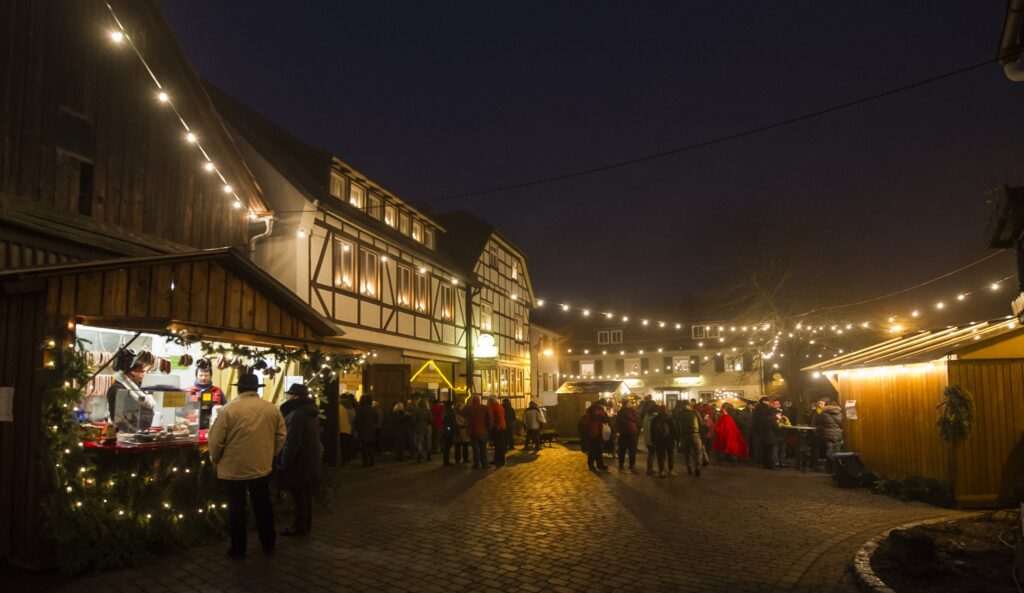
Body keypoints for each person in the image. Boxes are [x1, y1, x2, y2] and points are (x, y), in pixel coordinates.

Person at [207, 373, 286, 559]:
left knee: (237, 509)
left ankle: (238, 548)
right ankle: (268, 542)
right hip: (261, 466)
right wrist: (269, 453)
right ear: (256, 389)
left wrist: (215, 459)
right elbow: (281, 435)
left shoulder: (228, 410)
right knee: (263, 505)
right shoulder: (271, 409)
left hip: (234, 468)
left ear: (239, 388)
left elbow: (216, 440)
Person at [276, 383, 321, 536]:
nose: (286, 398)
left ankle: (299, 525)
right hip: (309, 458)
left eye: (288, 395)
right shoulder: (310, 412)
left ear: (294, 397)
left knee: (299, 494)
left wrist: (284, 461)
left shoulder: (297, 414)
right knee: (304, 493)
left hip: (299, 461)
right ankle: (304, 524)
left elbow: (292, 441)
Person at [107, 349, 156, 431]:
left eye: (143, 371)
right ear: (128, 372)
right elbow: (120, 420)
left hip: (143, 434)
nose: (141, 375)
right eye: (138, 371)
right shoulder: (117, 389)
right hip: (127, 437)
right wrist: (136, 433)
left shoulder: (138, 389)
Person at [185, 358, 224, 430]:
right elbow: (179, 411)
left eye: (206, 375)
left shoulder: (218, 391)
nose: (203, 378)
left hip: (214, 427)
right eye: (201, 375)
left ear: (210, 376)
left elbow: (226, 408)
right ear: (196, 376)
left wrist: (220, 409)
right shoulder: (188, 391)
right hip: (192, 427)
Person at [673, 400, 704, 477]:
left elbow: (676, 424)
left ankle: (689, 468)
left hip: (684, 435)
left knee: (687, 452)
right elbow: (701, 423)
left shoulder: (679, 414)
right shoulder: (695, 412)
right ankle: (698, 467)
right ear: (689, 405)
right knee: (698, 452)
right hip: (695, 434)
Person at [461, 395, 492, 469]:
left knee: (475, 449)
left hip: (473, 431)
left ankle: (476, 464)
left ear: (472, 400)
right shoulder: (484, 407)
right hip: (483, 431)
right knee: (483, 449)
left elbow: (462, 413)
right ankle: (484, 464)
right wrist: (488, 428)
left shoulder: (469, 408)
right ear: (479, 400)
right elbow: (489, 418)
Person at [814, 399, 845, 469]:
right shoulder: (840, 413)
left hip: (828, 435)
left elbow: (820, 424)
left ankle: (831, 467)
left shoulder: (823, 413)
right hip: (838, 434)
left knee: (829, 451)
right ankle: (837, 468)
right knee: (838, 451)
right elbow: (842, 424)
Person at [580, 401, 609, 471]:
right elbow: (605, 418)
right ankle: (595, 465)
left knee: (595, 450)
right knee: (595, 450)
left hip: (593, 433)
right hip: (595, 433)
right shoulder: (597, 412)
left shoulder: (590, 413)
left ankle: (595, 465)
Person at [652, 406, 679, 477]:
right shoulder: (670, 419)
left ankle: (662, 471)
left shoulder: (654, 419)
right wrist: (677, 439)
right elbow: (674, 430)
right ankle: (671, 470)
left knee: (660, 456)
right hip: (669, 440)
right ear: (667, 410)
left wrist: (653, 440)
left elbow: (652, 431)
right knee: (670, 456)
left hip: (659, 440)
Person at [354, 395, 380, 467]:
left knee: (364, 445)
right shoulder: (373, 409)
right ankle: (372, 461)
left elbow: (357, 420)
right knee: (370, 445)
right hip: (371, 429)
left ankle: (365, 462)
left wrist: (356, 428)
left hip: (362, 429)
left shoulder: (360, 409)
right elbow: (377, 419)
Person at [616, 399, 640, 470]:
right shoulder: (631, 411)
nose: (631, 404)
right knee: (632, 448)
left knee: (622, 448)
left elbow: (617, 422)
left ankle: (621, 463)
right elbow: (636, 418)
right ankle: (631, 464)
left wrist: (619, 430)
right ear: (627, 404)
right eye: (629, 403)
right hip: (632, 431)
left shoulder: (620, 412)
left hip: (623, 432)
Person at [487, 396, 507, 467]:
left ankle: (501, 460)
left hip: (498, 427)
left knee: (499, 445)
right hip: (498, 427)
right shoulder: (496, 406)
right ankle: (496, 459)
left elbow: (499, 417)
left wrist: (498, 426)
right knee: (498, 445)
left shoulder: (496, 407)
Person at [338, 393, 357, 466]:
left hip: (342, 429)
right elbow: (353, 419)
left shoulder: (339, 408)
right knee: (348, 445)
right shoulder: (351, 409)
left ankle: (344, 460)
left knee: (343, 446)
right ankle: (347, 460)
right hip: (349, 428)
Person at [641, 404, 660, 476]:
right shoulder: (655, 417)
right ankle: (651, 470)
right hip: (654, 438)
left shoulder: (646, 417)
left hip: (647, 439)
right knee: (653, 455)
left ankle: (649, 469)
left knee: (651, 454)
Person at [413, 398, 433, 462]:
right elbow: (431, 420)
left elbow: (413, 420)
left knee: (419, 442)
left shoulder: (416, 410)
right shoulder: (428, 410)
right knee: (427, 441)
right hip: (427, 427)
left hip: (419, 427)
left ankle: (419, 456)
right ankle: (428, 456)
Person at [772, 401, 792, 467]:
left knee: (782, 451)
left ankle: (782, 462)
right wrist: (780, 424)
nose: (779, 414)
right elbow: (776, 426)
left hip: (783, 436)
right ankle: (776, 462)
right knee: (775, 450)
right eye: (777, 413)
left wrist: (784, 422)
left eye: (780, 413)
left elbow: (789, 425)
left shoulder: (784, 418)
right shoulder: (773, 419)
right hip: (775, 436)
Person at [440, 400, 457, 465]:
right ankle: (446, 461)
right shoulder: (449, 411)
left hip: (446, 429)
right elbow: (451, 421)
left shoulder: (446, 411)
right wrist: (454, 427)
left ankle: (446, 461)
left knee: (447, 445)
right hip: (448, 429)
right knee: (447, 445)